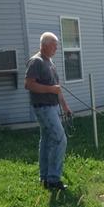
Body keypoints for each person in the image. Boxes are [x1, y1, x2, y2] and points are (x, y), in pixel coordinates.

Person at [25, 32, 72, 191]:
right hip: (43, 107)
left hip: (52, 107)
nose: (56, 48)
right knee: (60, 139)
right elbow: (29, 84)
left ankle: (44, 177)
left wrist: (65, 106)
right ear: (44, 45)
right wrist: (50, 89)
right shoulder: (36, 61)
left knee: (46, 140)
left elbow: (56, 88)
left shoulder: (50, 62)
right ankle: (53, 179)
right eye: (54, 45)